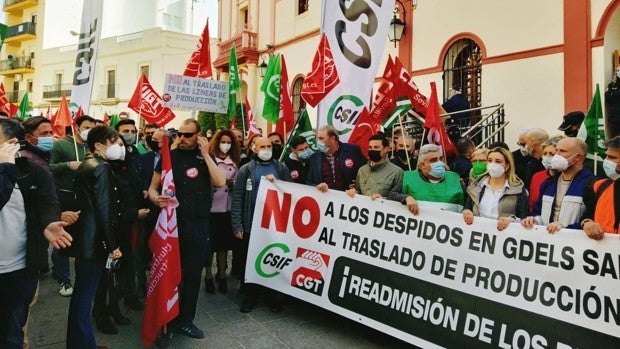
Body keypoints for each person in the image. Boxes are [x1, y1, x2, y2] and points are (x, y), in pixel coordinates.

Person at [148, 119, 225, 339]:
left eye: (188, 135)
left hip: (198, 225)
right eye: (179, 134)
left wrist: (207, 154)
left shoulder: (205, 159)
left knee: (192, 276)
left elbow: (220, 182)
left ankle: (186, 320)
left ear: (198, 136)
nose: (182, 138)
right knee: (170, 274)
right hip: (172, 226)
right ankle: (166, 323)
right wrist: (156, 199)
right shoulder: (168, 158)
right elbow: (152, 188)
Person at [0, 119, 72, 349]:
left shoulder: (32, 173)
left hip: (17, 270)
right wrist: (4, 169)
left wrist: (49, 222)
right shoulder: (8, 171)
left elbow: (47, 203)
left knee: (11, 334)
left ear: (11, 143)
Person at [67, 125, 124, 349]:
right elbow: (104, 209)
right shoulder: (101, 168)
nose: (119, 147)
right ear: (99, 145)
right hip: (94, 240)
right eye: (114, 143)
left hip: (86, 237)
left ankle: (79, 341)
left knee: (82, 292)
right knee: (85, 294)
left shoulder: (87, 164)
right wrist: (112, 244)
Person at [231, 136, 292, 313]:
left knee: (272, 258)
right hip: (251, 224)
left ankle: (271, 296)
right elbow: (238, 199)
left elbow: (292, 191)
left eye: (269, 146)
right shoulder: (246, 170)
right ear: (254, 148)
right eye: (262, 146)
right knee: (250, 260)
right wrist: (237, 225)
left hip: (273, 225)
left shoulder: (281, 167)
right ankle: (250, 296)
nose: (266, 149)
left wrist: (278, 184)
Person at [49, 114, 97, 297]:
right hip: (66, 198)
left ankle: (81, 280)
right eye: (86, 127)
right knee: (62, 239)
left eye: (92, 128)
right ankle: (64, 279)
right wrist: (67, 165)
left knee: (83, 238)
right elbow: (48, 166)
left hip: (86, 199)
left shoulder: (93, 147)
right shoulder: (61, 145)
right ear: (76, 127)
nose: (89, 131)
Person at [521, 137, 592, 234]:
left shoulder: (591, 185)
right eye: (556, 150)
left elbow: (592, 220)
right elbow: (538, 212)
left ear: (578, 157)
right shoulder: (548, 183)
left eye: (562, 151)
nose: (556, 155)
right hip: (549, 242)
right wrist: (534, 220)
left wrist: (566, 228)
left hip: (574, 245)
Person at [203, 129, 240, 294]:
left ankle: (222, 275)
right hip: (211, 209)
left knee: (223, 246)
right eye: (222, 142)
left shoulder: (236, 162)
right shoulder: (210, 160)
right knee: (209, 245)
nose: (225, 145)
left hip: (227, 209)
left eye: (228, 142)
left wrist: (234, 184)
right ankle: (209, 275)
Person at [462, 147, 529, 231]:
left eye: (498, 161)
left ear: (507, 166)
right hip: (478, 234)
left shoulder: (518, 189)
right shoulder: (476, 186)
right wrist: (466, 212)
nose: (493, 164)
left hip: (504, 236)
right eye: (490, 160)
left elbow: (525, 217)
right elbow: (467, 207)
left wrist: (512, 220)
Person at [391, 144, 465, 214]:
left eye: (440, 159)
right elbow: (392, 195)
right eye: (433, 160)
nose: (439, 163)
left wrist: (467, 210)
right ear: (422, 165)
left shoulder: (455, 179)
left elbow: (469, 202)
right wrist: (406, 198)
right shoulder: (409, 178)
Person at [580, 136, 620, 239]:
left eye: (612, 158)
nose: (606, 161)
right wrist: (587, 223)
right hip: (603, 252)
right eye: (606, 156)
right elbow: (587, 216)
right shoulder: (600, 186)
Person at [307, 125, 365, 192]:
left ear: (332, 139)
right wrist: (317, 186)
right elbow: (309, 181)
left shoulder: (352, 151)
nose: (318, 141)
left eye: (321, 138)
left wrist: (359, 184)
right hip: (325, 199)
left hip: (349, 198)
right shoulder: (314, 157)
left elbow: (367, 171)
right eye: (318, 138)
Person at [347, 134, 403, 199]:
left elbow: (399, 198)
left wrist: (383, 199)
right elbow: (359, 192)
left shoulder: (397, 172)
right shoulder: (362, 170)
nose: (372, 150)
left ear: (386, 149)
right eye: (370, 147)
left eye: (376, 147)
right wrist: (354, 192)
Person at [528, 136, 563, 210]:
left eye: (552, 154)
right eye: (544, 153)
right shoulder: (537, 176)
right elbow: (532, 203)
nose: (547, 157)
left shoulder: (566, 177)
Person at [605, 63, 620, 139]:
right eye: (617, 70)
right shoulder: (612, 84)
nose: (618, 72)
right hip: (614, 118)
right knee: (615, 138)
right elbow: (607, 96)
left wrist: (613, 94)